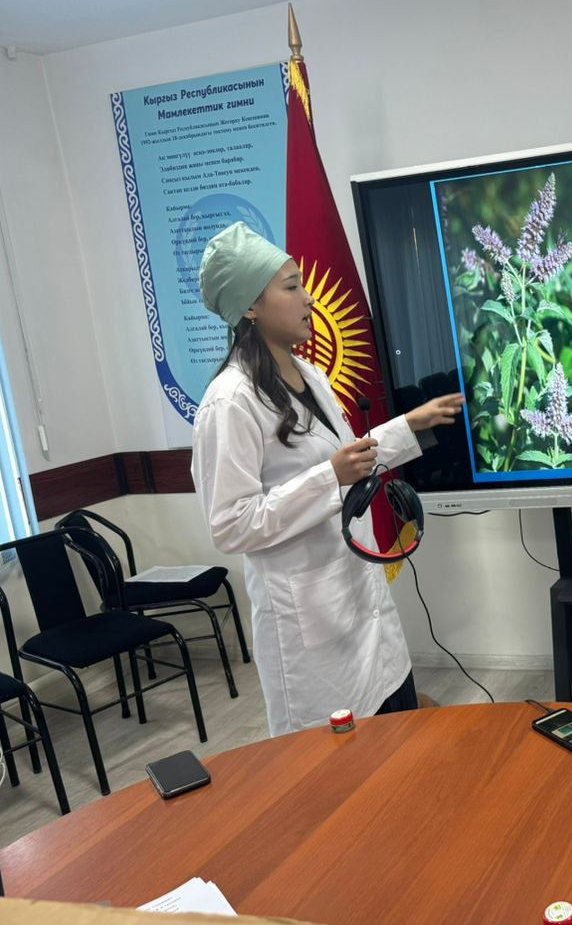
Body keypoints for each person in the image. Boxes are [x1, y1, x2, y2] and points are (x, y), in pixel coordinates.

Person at [191, 222, 464, 736]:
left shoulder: (308, 374)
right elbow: (229, 525)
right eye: (291, 287)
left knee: (397, 740)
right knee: (341, 768)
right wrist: (327, 479)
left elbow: (345, 460)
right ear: (251, 307)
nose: (309, 299)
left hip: (360, 603)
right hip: (310, 629)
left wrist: (410, 425)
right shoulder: (229, 403)